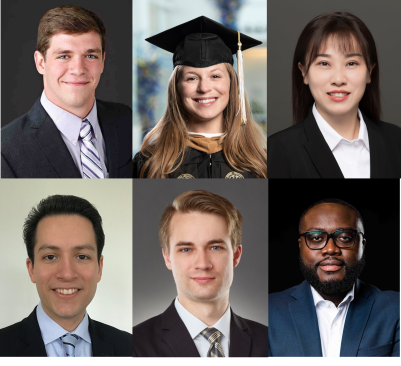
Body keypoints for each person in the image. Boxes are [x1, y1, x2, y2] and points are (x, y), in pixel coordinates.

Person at [132, 190, 268, 358]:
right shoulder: (134, 345)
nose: (203, 264)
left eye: (215, 247)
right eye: (186, 249)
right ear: (167, 257)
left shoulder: (269, 341)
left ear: (236, 255)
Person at [0, 6, 132, 178]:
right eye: (64, 56)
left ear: (102, 62)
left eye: (90, 56)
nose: (78, 69)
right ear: (40, 63)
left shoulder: (126, 119)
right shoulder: (6, 150)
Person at [266, 12, 401, 178]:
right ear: (304, 72)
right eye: (324, 63)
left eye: (351, 63)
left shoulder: (395, 141)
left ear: (369, 71)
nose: (338, 79)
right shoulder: (278, 150)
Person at [133, 16, 267, 179]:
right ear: (177, 88)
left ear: (232, 84)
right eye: (192, 78)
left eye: (215, 76)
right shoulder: (149, 162)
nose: (204, 88)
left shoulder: (261, 162)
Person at [0, 195, 131, 357]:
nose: (67, 274)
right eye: (50, 257)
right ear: (31, 269)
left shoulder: (130, 346)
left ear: (99, 268)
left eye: (82, 256)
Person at [268, 198, 400, 357]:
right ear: (300, 246)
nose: (330, 249)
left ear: (362, 245)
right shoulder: (268, 311)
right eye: (316, 238)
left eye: (344, 237)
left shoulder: (395, 309)